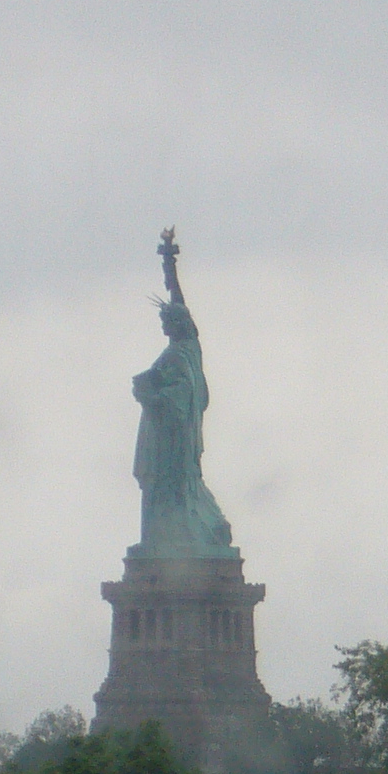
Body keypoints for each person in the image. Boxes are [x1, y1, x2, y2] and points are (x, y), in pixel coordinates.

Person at [131, 230, 235, 556]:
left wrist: (149, 395)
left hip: (174, 439)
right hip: (166, 434)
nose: (164, 328)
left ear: (177, 324)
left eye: (167, 323)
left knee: (168, 485)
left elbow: (181, 395)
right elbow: (177, 299)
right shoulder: (187, 347)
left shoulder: (183, 351)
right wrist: (168, 263)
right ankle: (163, 537)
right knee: (164, 485)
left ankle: (170, 536)